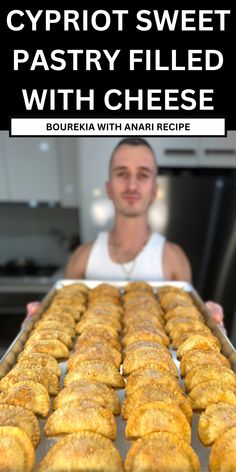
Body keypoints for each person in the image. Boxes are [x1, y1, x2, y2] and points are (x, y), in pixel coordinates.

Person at [26, 137, 224, 328]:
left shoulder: (174, 258)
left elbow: (185, 318)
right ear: (109, 187)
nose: (132, 185)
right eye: (122, 173)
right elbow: (63, 316)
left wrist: (207, 323)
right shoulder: (82, 258)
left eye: (143, 174)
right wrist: (38, 324)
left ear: (154, 190)